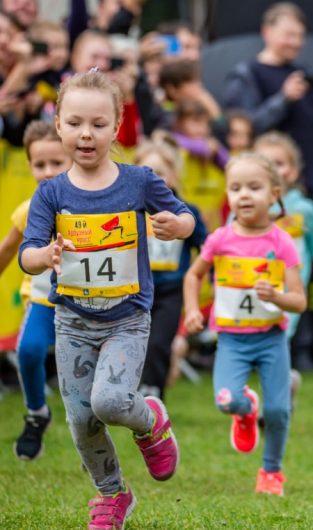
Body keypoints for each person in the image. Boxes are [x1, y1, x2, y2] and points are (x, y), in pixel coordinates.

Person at [18, 70, 194, 529]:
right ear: (58, 124)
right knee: (81, 421)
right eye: (75, 122)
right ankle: (113, 494)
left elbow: (183, 215)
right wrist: (45, 254)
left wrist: (179, 225)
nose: (86, 134)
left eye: (98, 124)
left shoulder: (138, 181)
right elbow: (27, 255)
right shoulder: (50, 194)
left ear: (117, 126)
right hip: (72, 320)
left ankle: (150, 420)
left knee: (112, 402)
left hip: (126, 320)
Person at [183, 152, 306, 496]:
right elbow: (193, 276)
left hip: (271, 339)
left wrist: (277, 297)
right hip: (232, 341)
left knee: (279, 410)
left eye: (254, 187)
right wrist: (192, 310)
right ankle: (246, 409)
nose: (244, 195)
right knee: (226, 400)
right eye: (236, 188)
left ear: (274, 194)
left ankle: (271, 472)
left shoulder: (280, 242)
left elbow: (299, 299)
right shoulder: (220, 239)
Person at [222, 2, 313, 208]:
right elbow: (244, 131)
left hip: (312, 181)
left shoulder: (303, 72)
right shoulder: (246, 75)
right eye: (289, 35)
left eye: (300, 36)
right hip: (269, 187)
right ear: (267, 31)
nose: (296, 42)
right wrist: (283, 99)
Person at [0, 121, 69, 460]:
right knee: (28, 351)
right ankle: (36, 413)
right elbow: (7, 249)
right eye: (39, 164)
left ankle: (93, 434)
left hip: (87, 302)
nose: (47, 171)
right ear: (29, 165)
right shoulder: (28, 210)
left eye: (57, 163)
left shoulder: (94, 204)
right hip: (43, 298)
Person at [253, 131, 313, 370]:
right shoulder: (247, 205)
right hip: (253, 281)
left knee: (282, 331)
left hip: (291, 283)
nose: (273, 170)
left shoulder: (303, 209)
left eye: (279, 163)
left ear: (294, 171)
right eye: (266, 163)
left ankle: (278, 377)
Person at [136, 131, 208, 400]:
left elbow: (206, 246)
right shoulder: (130, 211)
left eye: (161, 172)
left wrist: (206, 273)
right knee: (136, 344)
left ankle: (153, 394)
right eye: (147, 172)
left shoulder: (186, 212)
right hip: (134, 290)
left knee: (158, 343)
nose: (154, 179)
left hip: (169, 291)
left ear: (174, 176)